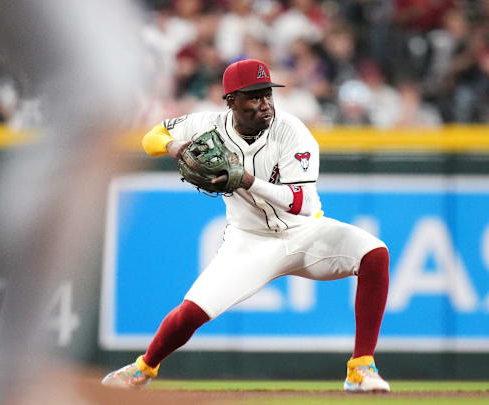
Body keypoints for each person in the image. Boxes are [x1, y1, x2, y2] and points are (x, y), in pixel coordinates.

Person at [101, 59, 391, 393]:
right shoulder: (207, 124)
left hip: (306, 232)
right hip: (248, 241)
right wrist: (175, 146)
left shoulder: (291, 130)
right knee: (191, 313)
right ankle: (143, 368)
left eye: (267, 94)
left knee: (374, 253)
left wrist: (248, 180)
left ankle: (360, 367)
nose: (265, 104)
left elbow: (304, 203)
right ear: (231, 101)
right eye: (254, 97)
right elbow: (153, 135)